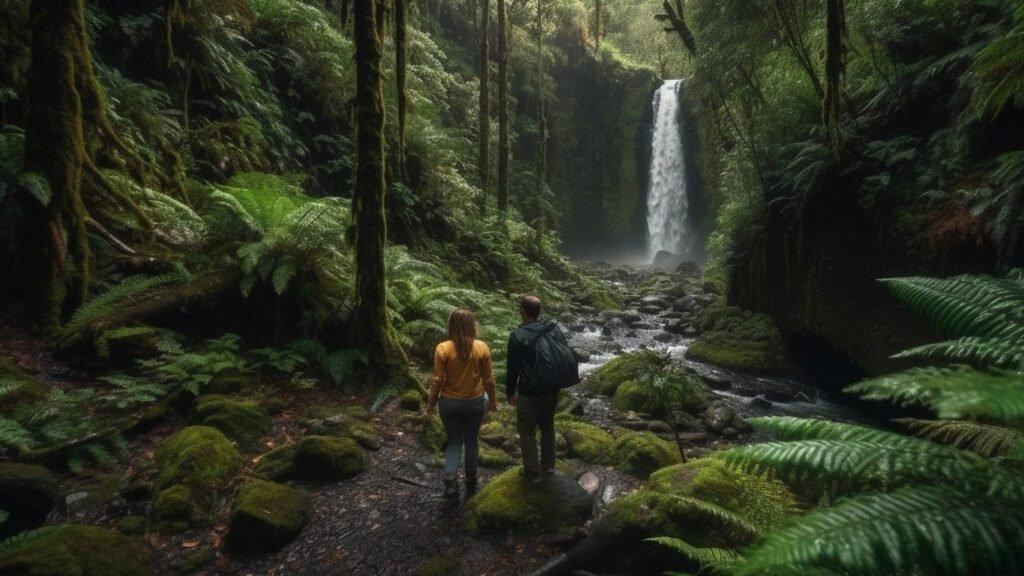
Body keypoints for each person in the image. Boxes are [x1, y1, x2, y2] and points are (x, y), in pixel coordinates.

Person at [426, 308, 498, 499]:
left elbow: (437, 381)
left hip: (449, 404)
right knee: (472, 441)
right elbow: (489, 379)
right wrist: (492, 401)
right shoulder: (482, 347)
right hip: (474, 403)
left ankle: (451, 482)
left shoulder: (442, 348)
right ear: (472, 325)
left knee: (454, 441)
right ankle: (471, 480)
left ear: (451, 325)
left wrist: (430, 405)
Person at [506, 294, 564, 482]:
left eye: (520, 307)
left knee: (526, 429)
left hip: (529, 391)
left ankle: (532, 471)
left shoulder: (517, 335)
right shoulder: (552, 330)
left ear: (523, 310)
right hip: (552, 387)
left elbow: (513, 367)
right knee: (548, 426)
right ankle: (548, 467)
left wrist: (509, 392)